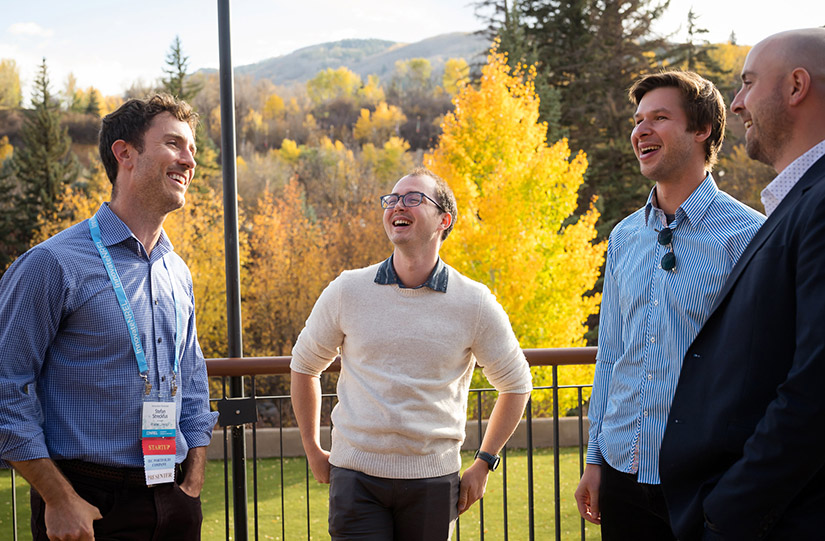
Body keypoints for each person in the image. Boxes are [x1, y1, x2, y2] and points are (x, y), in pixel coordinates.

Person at [0, 94, 218, 540]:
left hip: (172, 495)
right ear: (125, 154)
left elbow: (193, 380)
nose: (189, 160)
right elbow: (5, 388)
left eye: (192, 149)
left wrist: (192, 480)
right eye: (175, 144)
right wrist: (59, 500)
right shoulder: (52, 264)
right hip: (86, 504)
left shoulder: (176, 271)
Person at [290, 167, 532, 540]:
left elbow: (516, 384)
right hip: (355, 478)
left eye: (413, 198)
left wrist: (484, 462)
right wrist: (312, 448)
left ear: (443, 220)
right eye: (392, 199)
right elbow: (304, 365)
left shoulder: (474, 302)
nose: (397, 205)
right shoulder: (347, 290)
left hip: (434, 482)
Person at [574, 71, 764, 539]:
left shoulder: (750, 236)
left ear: (702, 131)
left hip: (709, 478)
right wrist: (595, 459)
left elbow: (762, 365)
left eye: (660, 117)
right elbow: (611, 354)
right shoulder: (623, 236)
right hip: (621, 469)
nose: (641, 130)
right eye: (638, 120)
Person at [659, 28, 825, 540]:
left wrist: (727, 511)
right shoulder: (797, 202)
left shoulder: (818, 205)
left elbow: (814, 388)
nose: (738, 102)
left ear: (797, 86)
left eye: (749, 83)